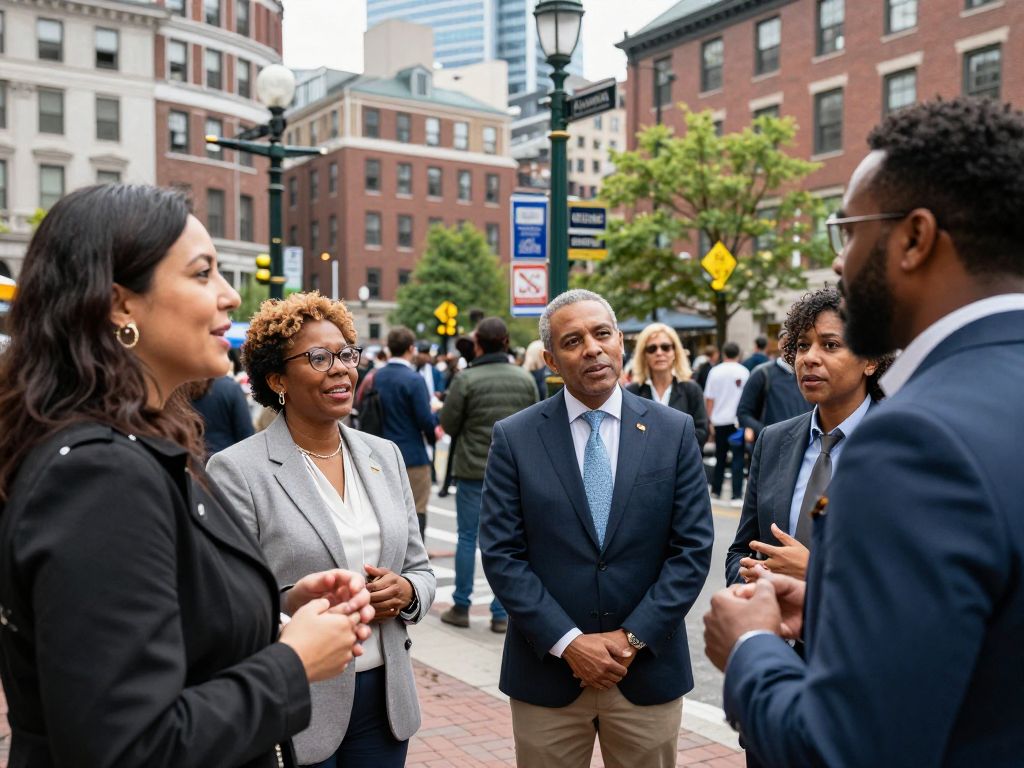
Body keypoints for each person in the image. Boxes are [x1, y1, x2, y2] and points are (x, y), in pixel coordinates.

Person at [0, 184, 373, 767]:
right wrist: (293, 664)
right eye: (203, 274)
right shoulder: (100, 475)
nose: (229, 296)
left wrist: (277, 615)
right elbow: (125, 745)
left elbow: (170, 633)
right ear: (121, 304)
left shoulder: (147, 443)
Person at [703, 97, 1024, 766]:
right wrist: (826, 600)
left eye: (848, 231)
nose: (842, 264)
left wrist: (752, 649)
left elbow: (843, 750)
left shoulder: (916, 440)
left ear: (914, 237)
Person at [480, 289, 713, 768]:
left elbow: (691, 550)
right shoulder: (515, 437)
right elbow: (503, 555)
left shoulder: (674, 431)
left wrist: (630, 639)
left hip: (646, 674)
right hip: (547, 678)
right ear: (550, 358)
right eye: (572, 340)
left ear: (620, 341)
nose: (591, 348)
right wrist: (569, 643)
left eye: (602, 334)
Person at [207, 292, 436, 767]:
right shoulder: (236, 470)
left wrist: (408, 592)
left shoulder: (384, 455)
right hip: (298, 701)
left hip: (385, 701)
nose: (341, 369)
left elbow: (419, 567)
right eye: (318, 357)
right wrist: (298, 606)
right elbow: (230, 601)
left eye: (346, 354)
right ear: (277, 380)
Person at [725, 287, 891, 587]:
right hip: (774, 631)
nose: (809, 358)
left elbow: (913, 577)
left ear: (870, 360)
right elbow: (741, 551)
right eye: (802, 346)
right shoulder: (773, 441)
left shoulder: (904, 446)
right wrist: (756, 580)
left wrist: (816, 572)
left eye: (830, 345)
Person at [438, 318, 538, 633]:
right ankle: (500, 612)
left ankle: (462, 605)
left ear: (479, 344)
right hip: (514, 472)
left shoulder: (466, 380)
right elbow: (536, 422)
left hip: (473, 469)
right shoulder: (524, 379)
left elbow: (450, 425)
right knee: (509, 541)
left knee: (468, 537)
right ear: (507, 342)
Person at [373, 326, 437, 541]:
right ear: (411, 348)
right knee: (417, 509)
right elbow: (425, 420)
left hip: (378, 454)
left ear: (389, 348)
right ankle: (415, 561)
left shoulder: (376, 376)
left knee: (386, 511)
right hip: (412, 454)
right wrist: (435, 418)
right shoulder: (414, 379)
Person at [625, 322, 709, 446]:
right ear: (644, 355)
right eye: (652, 349)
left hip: (682, 463)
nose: (659, 353)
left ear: (675, 352)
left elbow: (702, 432)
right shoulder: (633, 392)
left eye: (665, 347)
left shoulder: (691, 390)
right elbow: (628, 434)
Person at [736, 333, 810, 446]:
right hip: (772, 447)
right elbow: (743, 413)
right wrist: (768, 432)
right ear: (780, 345)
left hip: (806, 444)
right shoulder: (762, 373)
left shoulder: (811, 374)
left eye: (802, 345)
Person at [704, 341, 750, 505]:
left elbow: (709, 398)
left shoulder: (715, 371)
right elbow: (748, 399)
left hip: (719, 420)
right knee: (738, 457)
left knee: (720, 456)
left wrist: (709, 420)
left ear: (723, 353)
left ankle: (716, 491)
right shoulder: (744, 372)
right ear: (738, 354)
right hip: (738, 421)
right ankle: (736, 495)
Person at [191, 372, 255, 457]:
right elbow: (246, 433)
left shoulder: (184, 388)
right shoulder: (231, 387)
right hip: (226, 457)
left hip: (194, 458)